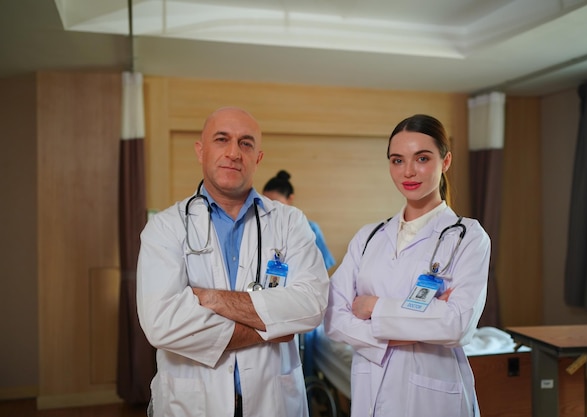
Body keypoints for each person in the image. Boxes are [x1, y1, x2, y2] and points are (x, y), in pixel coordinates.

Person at [136, 107, 330, 417]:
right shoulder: (166, 226)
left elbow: (312, 305)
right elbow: (161, 325)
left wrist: (212, 298)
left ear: (258, 157)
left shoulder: (290, 222)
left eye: (246, 143)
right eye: (222, 139)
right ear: (201, 151)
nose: (233, 152)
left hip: (273, 401)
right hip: (193, 402)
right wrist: (270, 327)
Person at [324, 114, 491, 416]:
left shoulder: (468, 236)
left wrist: (372, 307)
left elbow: (456, 325)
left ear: (446, 160)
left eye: (422, 158)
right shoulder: (368, 237)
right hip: (369, 388)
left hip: (433, 395)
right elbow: (334, 318)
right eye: (397, 160)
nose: (409, 171)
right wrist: (422, 323)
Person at [262, 170, 336, 270]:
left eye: (276, 203)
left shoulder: (310, 228)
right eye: (266, 203)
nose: (271, 208)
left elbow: (323, 266)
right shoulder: (260, 227)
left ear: (290, 198)